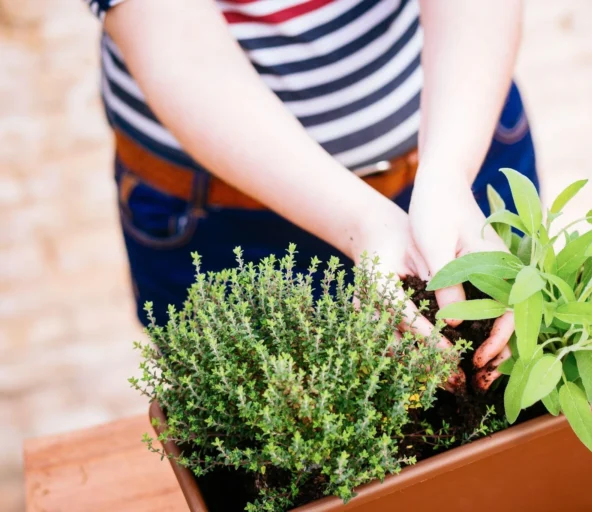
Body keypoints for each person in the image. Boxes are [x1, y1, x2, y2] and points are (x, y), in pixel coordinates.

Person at [84, 0, 538, 390]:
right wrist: (362, 220)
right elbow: (179, 46)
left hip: (458, 138)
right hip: (225, 220)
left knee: (511, 379)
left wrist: (449, 172)